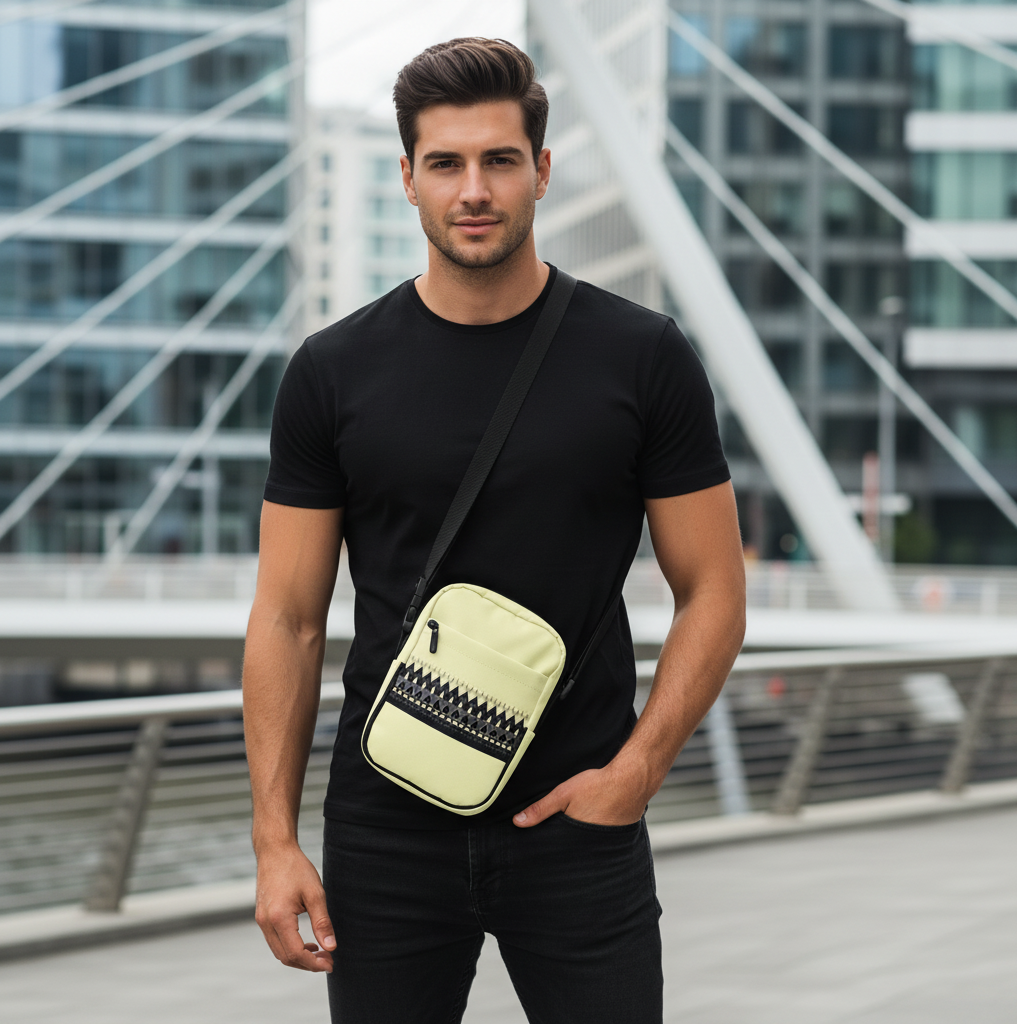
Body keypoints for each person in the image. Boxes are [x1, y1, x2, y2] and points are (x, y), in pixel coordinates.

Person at [243, 37, 745, 1024]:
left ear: (541, 170)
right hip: (385, 820)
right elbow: (288, 618)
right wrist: (273, 841)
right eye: (446, 163)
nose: (473, 189)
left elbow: (714, 591)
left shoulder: (642, 358)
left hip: (578, 815)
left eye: (499, 160)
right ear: (408, 178)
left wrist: (633, 774)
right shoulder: (330, 372)